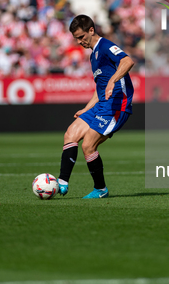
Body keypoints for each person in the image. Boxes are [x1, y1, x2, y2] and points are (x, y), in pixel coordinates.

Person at [57, 15, 135, 199]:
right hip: (102, 104)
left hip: (117, 105)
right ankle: (62, 182)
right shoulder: (93, 55)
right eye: (76, 38)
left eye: (81, 36)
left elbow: (127, 61)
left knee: (88, 145)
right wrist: (86, 108)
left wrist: (113, 81)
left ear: (91, 30)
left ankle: (101, 189)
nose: (79, 41)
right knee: (70, 134)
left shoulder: (106, 46)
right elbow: (100, 88)